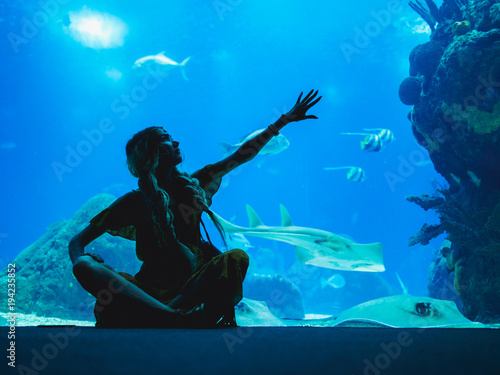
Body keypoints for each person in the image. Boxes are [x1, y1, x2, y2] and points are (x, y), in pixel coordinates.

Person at [68, 90, 321, 328]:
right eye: (166, 139)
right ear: (152, 154)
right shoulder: (135, 201)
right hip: (147, 289)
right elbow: (77, 242)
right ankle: (173, 318)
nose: (176, 141)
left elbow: (242, 155)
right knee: (84, 266)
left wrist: (282, 122)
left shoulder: (195, 184)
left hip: (192, 285)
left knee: (236, 259)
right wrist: (87, 257)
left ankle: (162, 316)